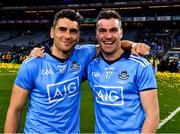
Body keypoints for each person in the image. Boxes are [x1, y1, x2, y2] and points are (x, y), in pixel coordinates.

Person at [4, 9, 150, 133]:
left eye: (73, 31)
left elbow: (112, 43)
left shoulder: (83, 54)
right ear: (52, 32)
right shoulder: (32, 64)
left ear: (78, 35)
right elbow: (15, 110)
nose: (67, 36)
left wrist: (134, 44)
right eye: (62, 29)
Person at [86, 10, 159, 133]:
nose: (108, 36)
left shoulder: (141, 66)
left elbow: (153, 114)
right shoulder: (90, 66)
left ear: (121, 33)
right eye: (103, 31)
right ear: (97, 34)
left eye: (113, 30)